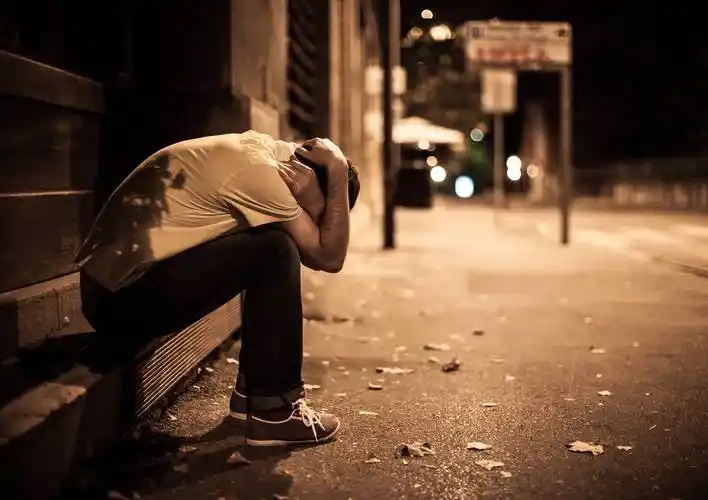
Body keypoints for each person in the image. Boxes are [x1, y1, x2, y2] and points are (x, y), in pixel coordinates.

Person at [76, 130, 360, 446]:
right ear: (305, 174)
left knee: (270, 245)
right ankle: (276, 410)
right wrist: (336, 169)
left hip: (112, 290)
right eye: (317, 216)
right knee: (275, 250)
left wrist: (326, 188)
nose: (313, 222)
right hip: (118, 302)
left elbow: (319, 255)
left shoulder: (258, 155)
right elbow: (329, 257)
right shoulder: (261, 176)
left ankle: (254, 394)